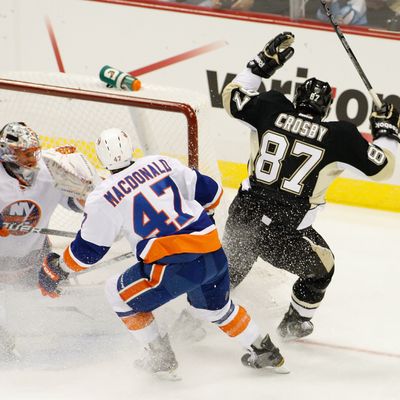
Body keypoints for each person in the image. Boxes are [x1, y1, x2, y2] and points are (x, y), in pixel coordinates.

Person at [37, 127, 288, 379]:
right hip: (212, 253)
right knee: (216, 309)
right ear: (130, 147)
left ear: (100, 158)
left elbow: (87, 252)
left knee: (118, 294)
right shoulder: (161, 162)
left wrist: (60, 268)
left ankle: (160, 357)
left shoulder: (103, 196)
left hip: (172, 267)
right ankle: (265, 350)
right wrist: (204, 217)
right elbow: (212, 193)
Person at [221, 32, 399, 340]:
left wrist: (261, 65)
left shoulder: (270, 108)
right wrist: (387, 131)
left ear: (296, 99)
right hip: (283, 234)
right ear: (326, 109)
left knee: (227, 275)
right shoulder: (339, 136)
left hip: (243, 217)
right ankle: (294, 323)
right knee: (323, 268)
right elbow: (383, 168)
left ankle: (192, 319)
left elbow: (232, 96)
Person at [0, 121, 99, 361]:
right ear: (7, 154)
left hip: (33, 257)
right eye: (26, 154)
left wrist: (88, 195)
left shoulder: (49, 172)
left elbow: (77, 204)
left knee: (48, 300)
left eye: (35, 152)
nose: (33, 159)